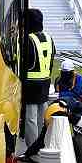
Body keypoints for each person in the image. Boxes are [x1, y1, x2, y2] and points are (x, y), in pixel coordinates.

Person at [22, 8, 55, 152]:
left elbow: (23, 63)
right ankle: (44, 144)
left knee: (31, 119)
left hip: (31, 84)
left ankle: (33, 149)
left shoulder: (28, 40)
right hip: (45, 83)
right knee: (43, 117)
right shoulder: (49, 37)